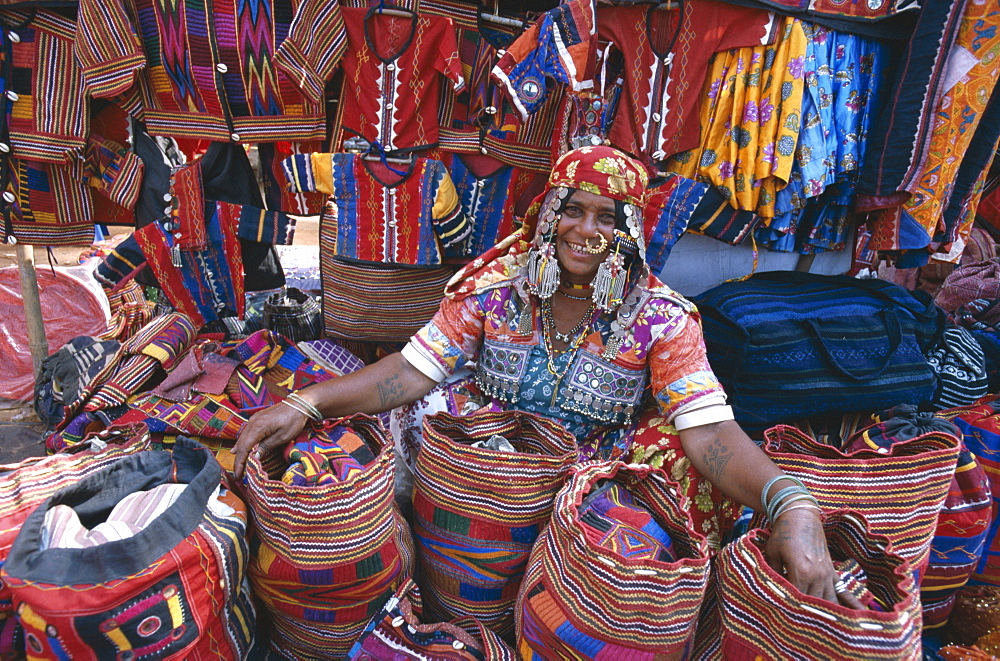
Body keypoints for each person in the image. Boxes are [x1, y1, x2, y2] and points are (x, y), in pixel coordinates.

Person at [233, 145, 861, 608]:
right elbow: (409, 372)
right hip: (498, 465)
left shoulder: (664, 319)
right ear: (546, 215)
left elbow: (708, 433)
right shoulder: (492, 290)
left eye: (607, 217)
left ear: (630, 230)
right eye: (573, 211)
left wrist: (793, 504)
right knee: (405, 429)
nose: (586, 232)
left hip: (594, 480)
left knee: (673, 456)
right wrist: (309, 403)